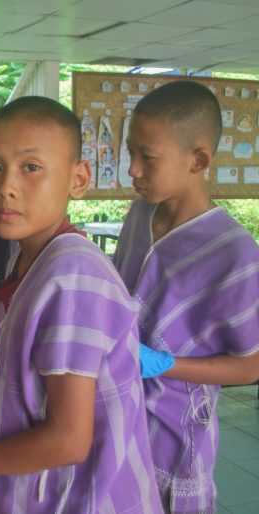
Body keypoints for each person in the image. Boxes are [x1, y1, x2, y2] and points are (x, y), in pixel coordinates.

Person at [0, 97, 163, 513]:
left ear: (78, 179)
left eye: (31, 167)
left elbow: (69, 440)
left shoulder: (72, 275)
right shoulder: (28, 260)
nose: (6, 187)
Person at [114, 80, 259, 513]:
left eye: (147, 157)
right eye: (130, 153)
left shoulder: (235, 255)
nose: (133, 170)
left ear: (198, 161)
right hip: (118, 412)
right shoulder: (140, 214)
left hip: (175, 433)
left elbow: (250, 364)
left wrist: (166, 364)